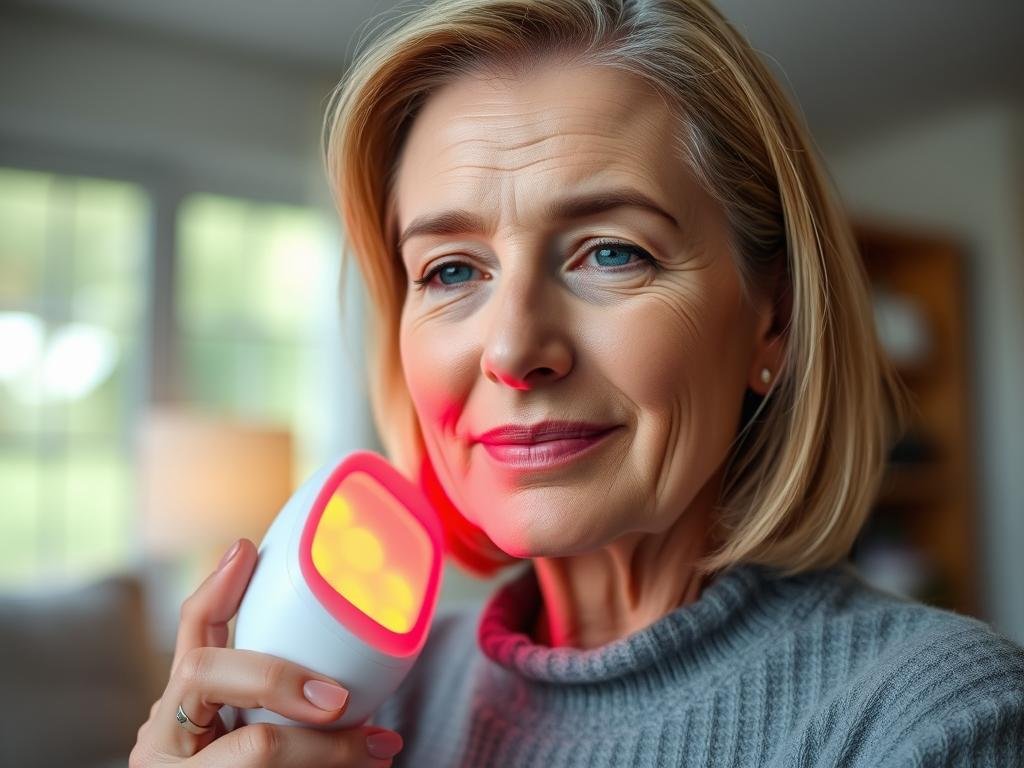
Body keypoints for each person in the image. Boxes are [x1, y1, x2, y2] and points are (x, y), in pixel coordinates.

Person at [131, 0, 1024, 766]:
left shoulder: (932, 720)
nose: (514, 348)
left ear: (774, 321)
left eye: (610, 252)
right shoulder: (361, 710)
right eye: (449, 271)